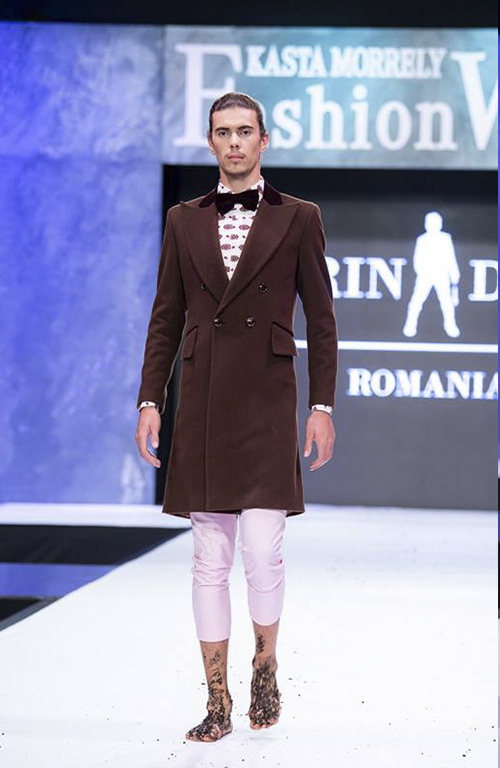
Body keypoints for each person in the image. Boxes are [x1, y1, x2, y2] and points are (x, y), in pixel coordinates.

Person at [134, 92, 338, 742]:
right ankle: (217, 699)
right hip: (202, 399)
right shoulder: (182, 220)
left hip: (268, 400)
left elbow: (322, 319)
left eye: (244, 131)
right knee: (208, 557)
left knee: (262, 552)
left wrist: (323, 405)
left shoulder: (299, 217)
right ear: (210, 141)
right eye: (222, 132)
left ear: (263, 140)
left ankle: (265, 666)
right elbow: (165, 317)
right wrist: (149, 399)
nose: (234, 143)